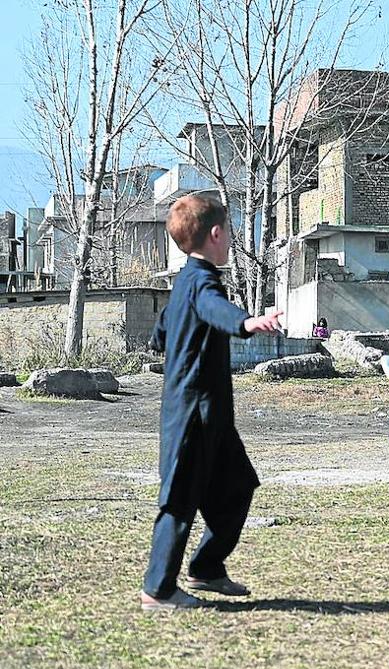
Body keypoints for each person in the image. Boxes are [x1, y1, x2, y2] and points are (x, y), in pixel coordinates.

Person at [141, 193, 283, 611]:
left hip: (214, 416)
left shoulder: (185, 280)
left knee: (238, 486)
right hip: (191, 415)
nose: (230, 241)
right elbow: (213, 308)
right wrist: (247, 322)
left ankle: (206, 569)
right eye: (229, 234)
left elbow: (164, 330)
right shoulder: (201, 281)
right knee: (180, 500)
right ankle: (158, 590)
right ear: (216, 234)